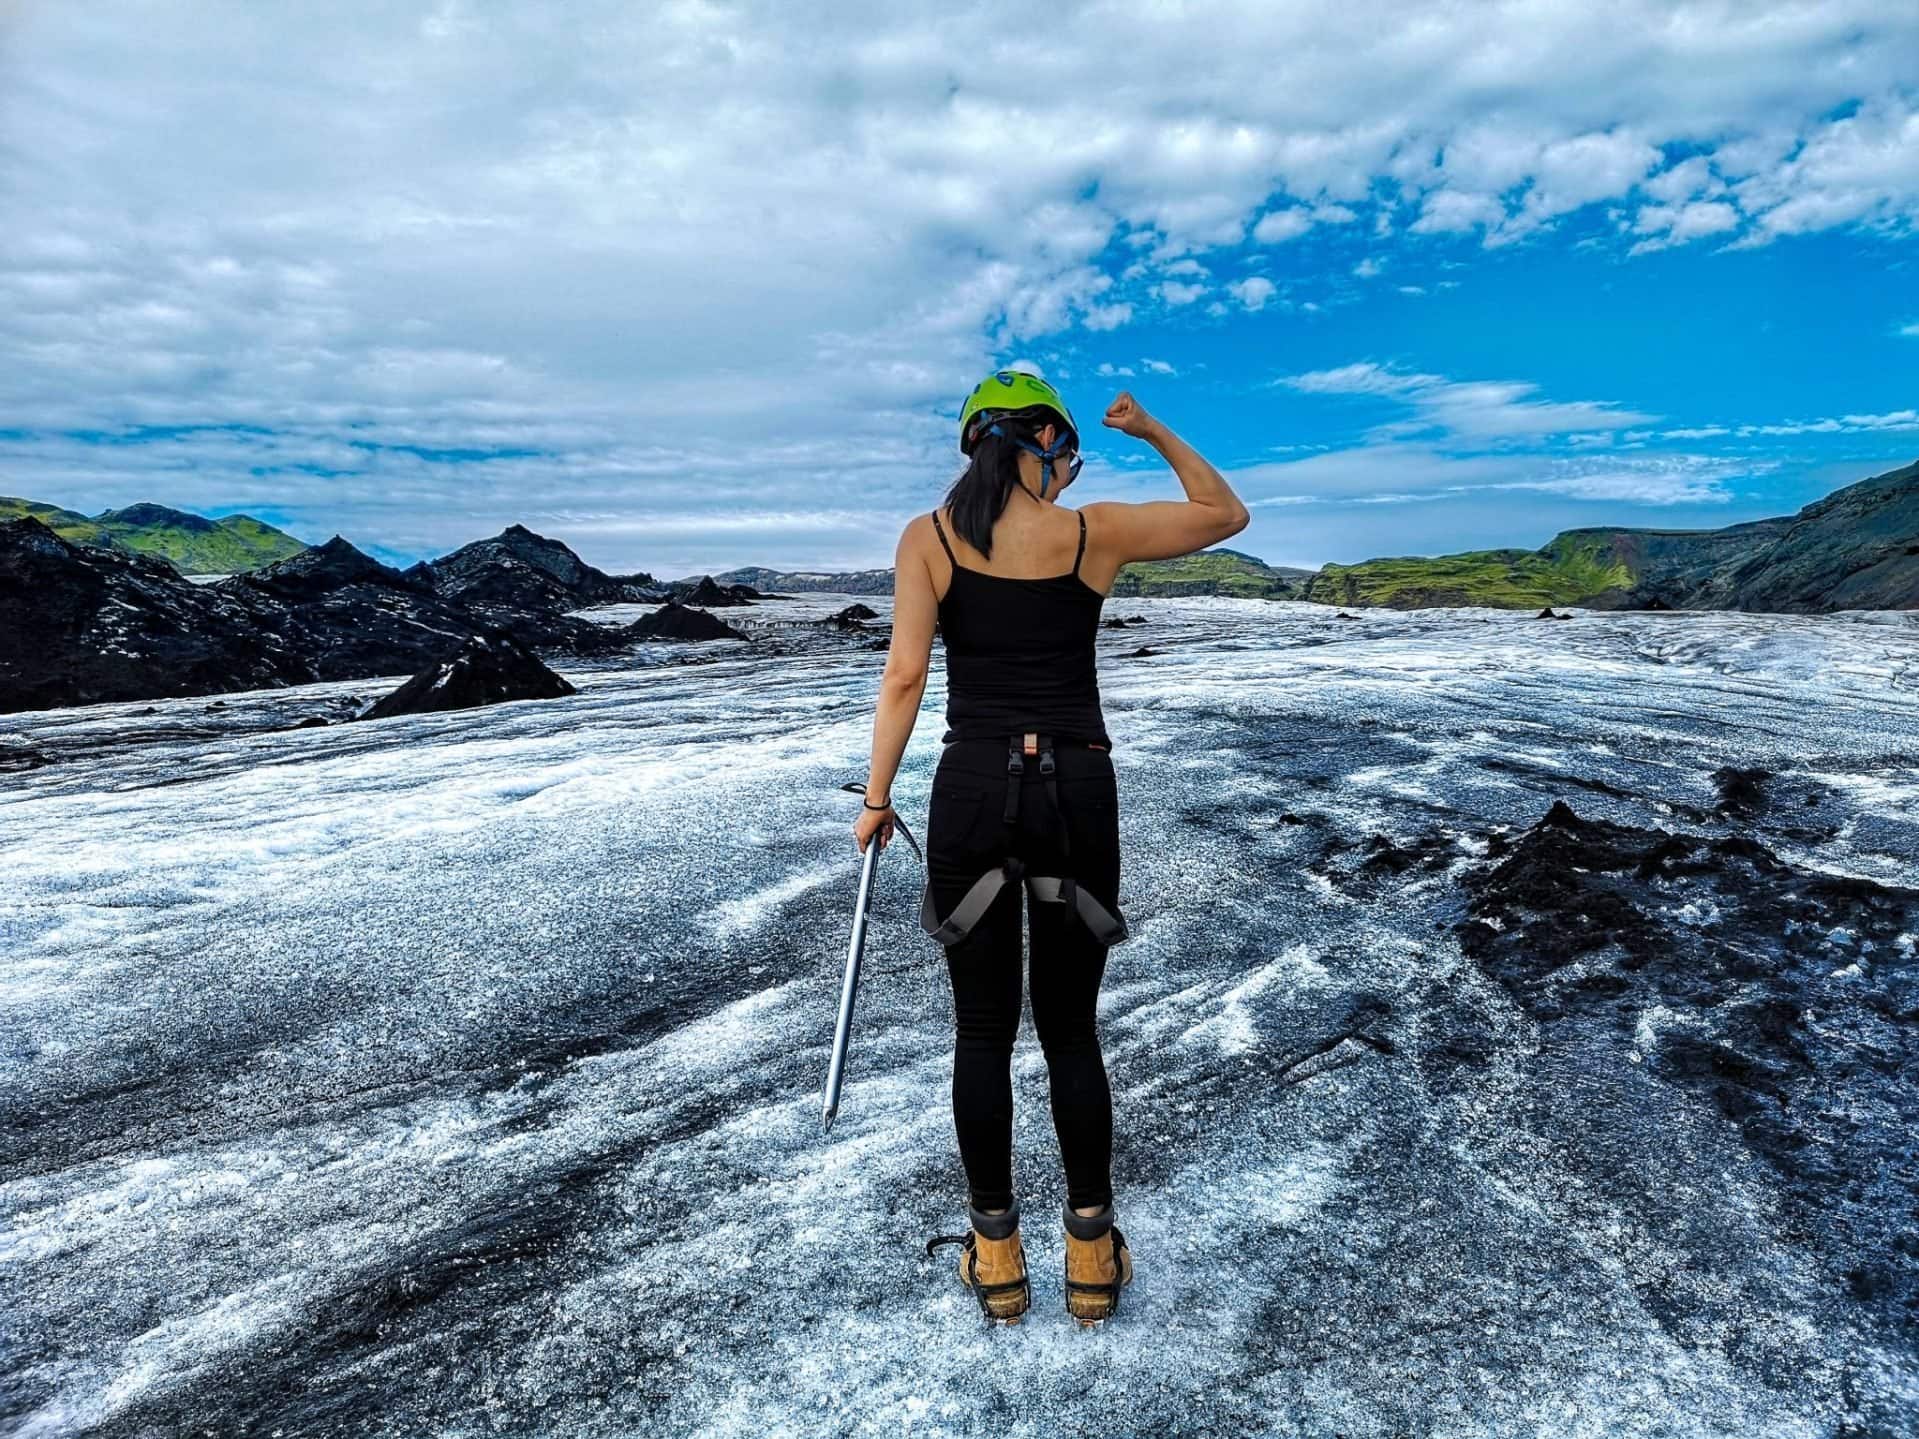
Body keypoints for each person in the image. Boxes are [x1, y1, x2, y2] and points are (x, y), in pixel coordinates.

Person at [852, 369, 1249, 1325]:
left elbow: (906, 676)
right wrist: (1150, 426)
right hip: (1076, 785)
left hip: (972, 787)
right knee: (1069, 1026)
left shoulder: (928, 538)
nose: (1071, 472)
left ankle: (995, 1261)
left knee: (981, 1029)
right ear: (1033, 438)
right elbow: (1223, 512)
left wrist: (875, 798)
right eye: (1066, 451)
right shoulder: (1094, 533)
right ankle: (1090, 1259)